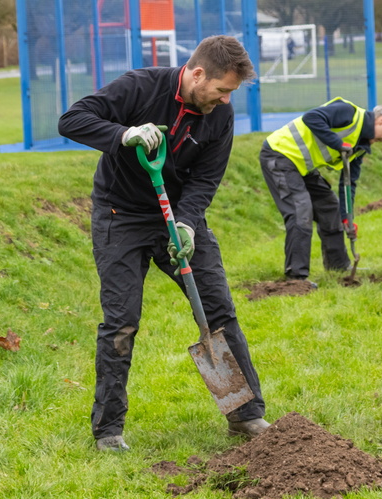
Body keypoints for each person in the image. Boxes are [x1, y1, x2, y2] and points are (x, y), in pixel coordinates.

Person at [58, 35, 270, 452]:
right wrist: (123, 134)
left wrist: (188, 226)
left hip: (178, 218)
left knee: (219, 312)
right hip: (121, 216)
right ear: (196, 73)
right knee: (122, 321)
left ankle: (245, 416)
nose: (226, 100)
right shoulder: (141, 86)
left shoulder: (219, 117)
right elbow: (72, 120)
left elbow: (205, 178)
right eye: (222, 89)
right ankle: (109, 430)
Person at [260, 98, 382, 282]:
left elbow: (348, 183)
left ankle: (338, 266)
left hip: (302, 166)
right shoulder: (349, 113)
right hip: (279, 154)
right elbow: (311, 118)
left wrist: (346, 216)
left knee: (330, 208)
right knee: (301, 210)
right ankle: (296, 278)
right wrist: (338, 144)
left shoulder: (360, 145)